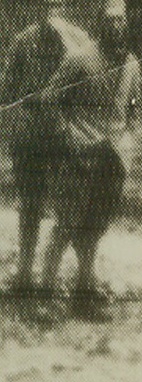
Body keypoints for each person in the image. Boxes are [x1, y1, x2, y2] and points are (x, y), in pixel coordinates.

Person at [41, 0, 142, 312]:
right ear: (101, 23)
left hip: (112, 160)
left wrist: (128, 139)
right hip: (79, 158)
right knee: (67, 225)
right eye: (111, 20)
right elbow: (49, 99)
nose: (117, 26)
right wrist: (67, 135)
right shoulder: (80, 59)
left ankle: (84, 294)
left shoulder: (132, 65)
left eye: (121, 20)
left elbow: (134, 109)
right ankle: (43, 294)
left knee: (95, 228)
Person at [0, 0, 91, 293]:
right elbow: (7, 90)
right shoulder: (23, 41)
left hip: (67, 135)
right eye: (48, 4)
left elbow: (90, 84)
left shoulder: (79, 39)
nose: (54, 9)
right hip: (30, 137)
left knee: (73, 205)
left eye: (59, 3)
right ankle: (25, 273)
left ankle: (73, 276)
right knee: (31, 204)